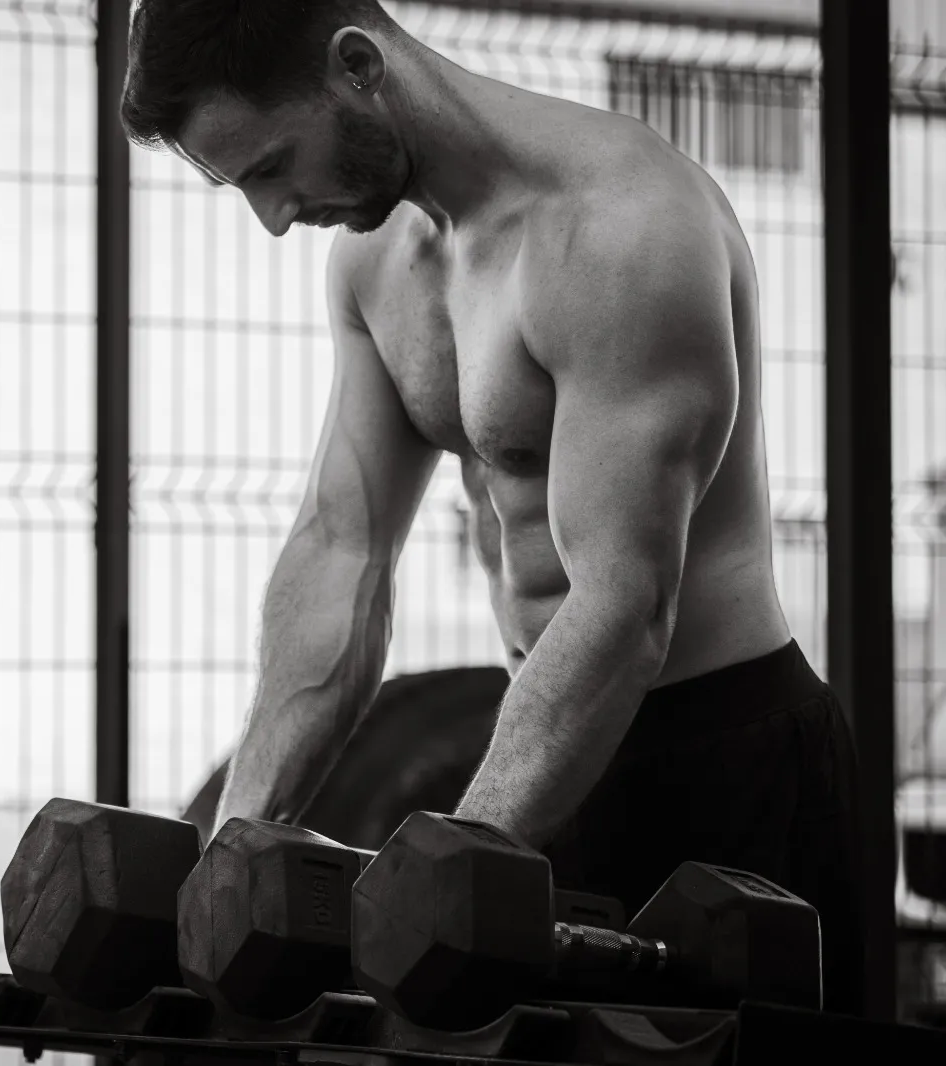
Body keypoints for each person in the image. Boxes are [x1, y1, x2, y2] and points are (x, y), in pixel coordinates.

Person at [121, 0, 863, 1015]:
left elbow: (624, 606)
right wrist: (234, 849)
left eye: (272, 166)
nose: (275, 217)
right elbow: (341, 554)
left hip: (727, 768)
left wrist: (454, 859)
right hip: (548, 755)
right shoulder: (377, 264)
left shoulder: (618, 226)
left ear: (357, 65)